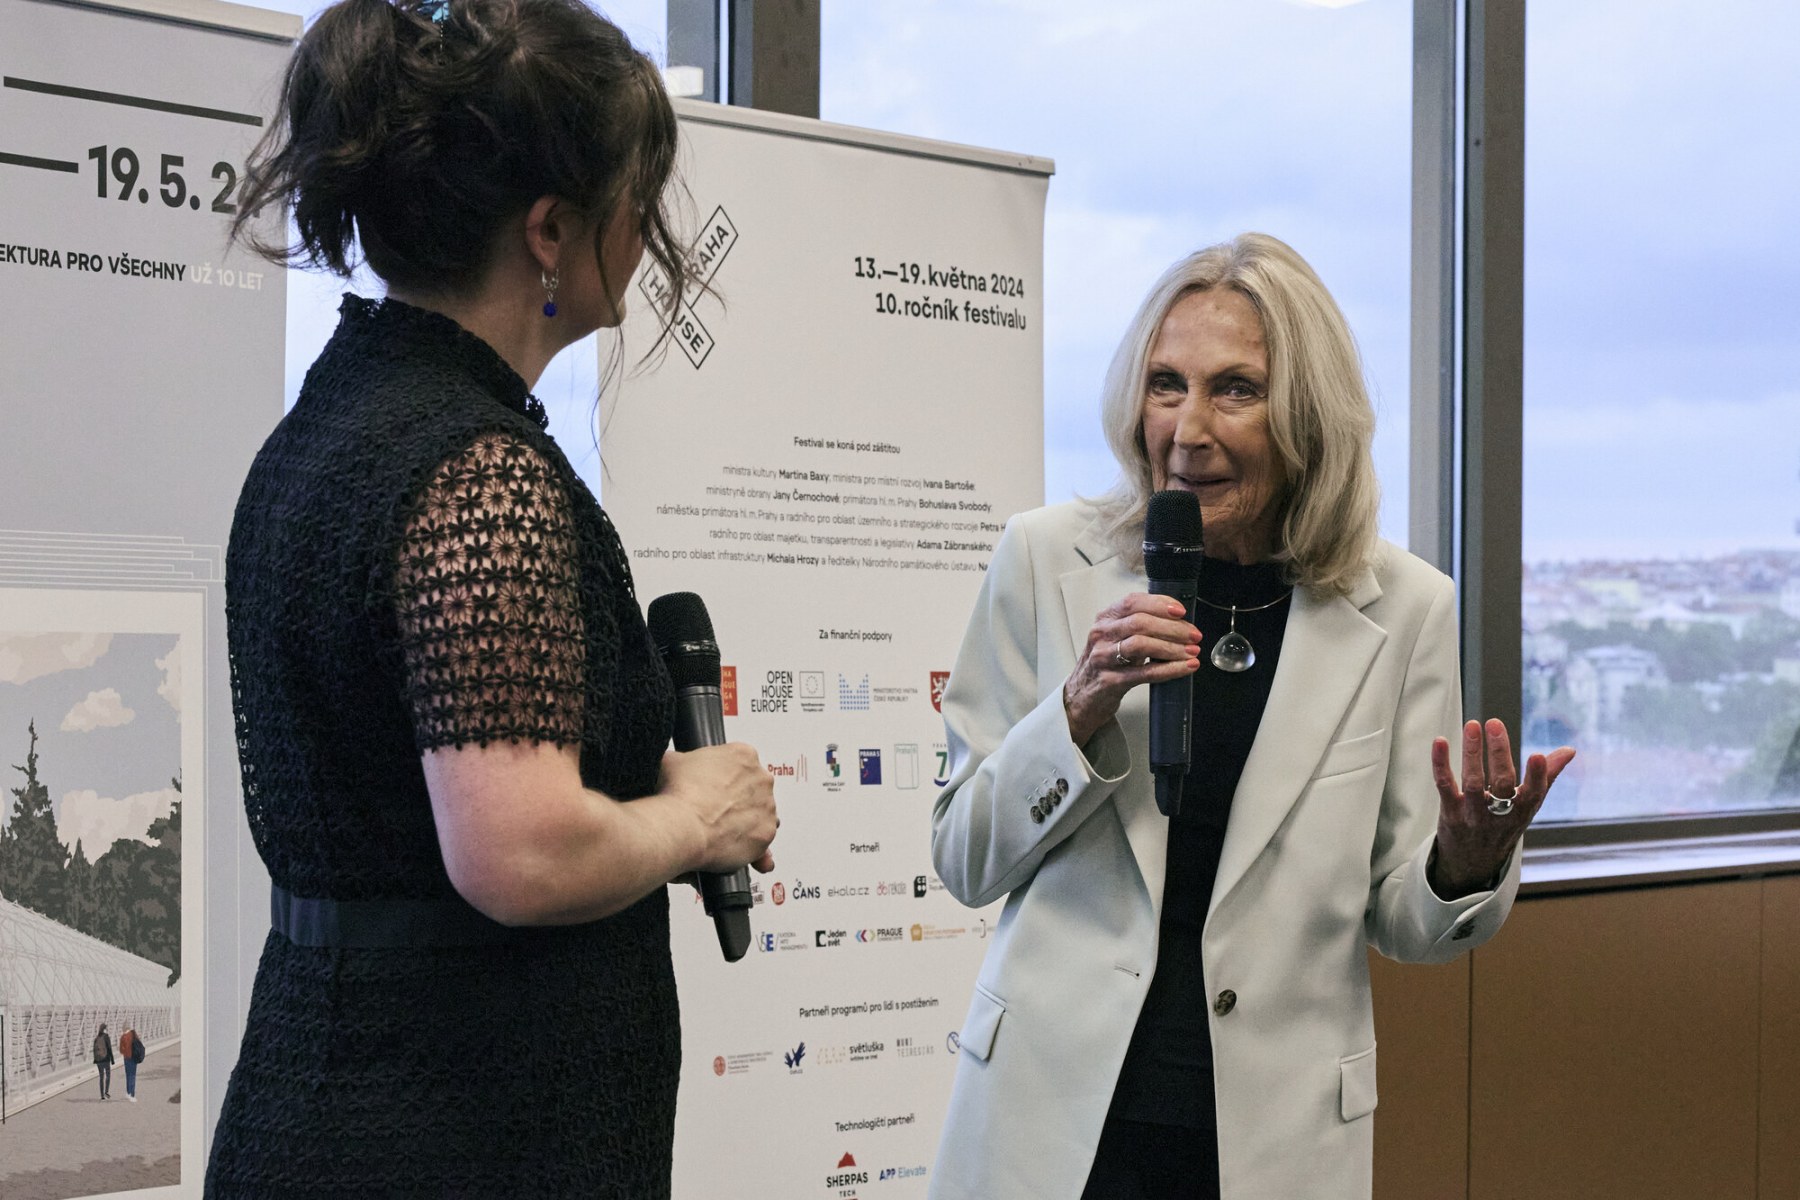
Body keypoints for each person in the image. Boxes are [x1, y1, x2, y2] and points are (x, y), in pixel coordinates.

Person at [205, 0, 777, 1194]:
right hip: (461, 1134)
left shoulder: (321, 433)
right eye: (635, 196)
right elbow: (522, 852)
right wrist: (695, 820)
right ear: (552, 230)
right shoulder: (480, 474)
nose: (648, 233)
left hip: (334, 1097)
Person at [927, 234, 1576, 1200]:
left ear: (1309, 416)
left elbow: (1406, 922)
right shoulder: (1043, 560)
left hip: (1274, 1138)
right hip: (1051, 1120)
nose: (1188, 429)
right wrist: (1074, 712)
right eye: (1165, 385)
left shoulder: (1406, 608)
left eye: (1235, 390)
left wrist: (1463, 864)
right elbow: (963, 859)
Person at [120, 1025, 143, 1102]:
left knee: (128, 1075)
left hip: (126, 1058)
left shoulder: (123, 1037)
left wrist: (126, 1052)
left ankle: (128, 1093)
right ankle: (132, 1096)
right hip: (133, 1058)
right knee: (132, 1076)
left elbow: (121, 1050)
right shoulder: (133, 1035)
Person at [92, 1023, 112, 1100]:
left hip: (99, 1060)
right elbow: (109, 1049)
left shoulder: (96, 1038)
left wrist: (96, 1060)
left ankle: (102, 1095)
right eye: (107, 1028)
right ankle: (106, 1092)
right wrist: (112, 1059)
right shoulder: (106, 1037)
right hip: (106, 1059)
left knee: (101, 1077)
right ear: (104, 1029)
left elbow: (94, 1050)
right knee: (108, 1075)